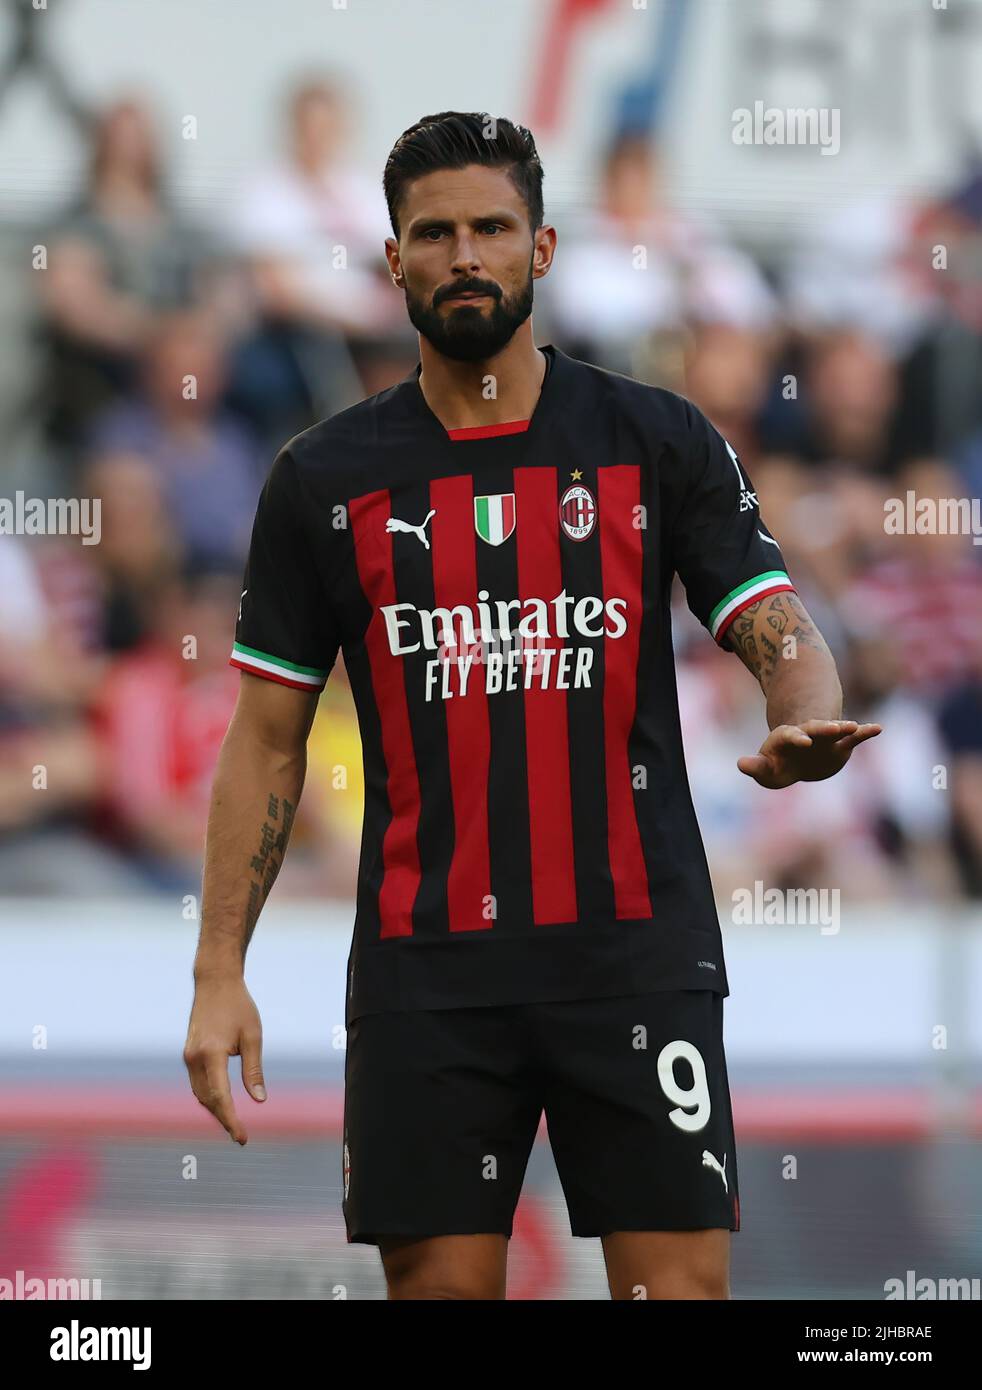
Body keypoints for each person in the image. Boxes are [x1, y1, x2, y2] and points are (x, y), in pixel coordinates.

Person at [184, 112, 881, 1301]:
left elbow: (780, 628)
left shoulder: (652, 438)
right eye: (435, 232)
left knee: (678, 1293)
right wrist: (215, 973)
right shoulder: (323, 479)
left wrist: (799, 714)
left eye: (491, 228)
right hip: (427, 973)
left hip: (634, 954)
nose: (465, 255)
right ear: (392, 261)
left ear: (544, 249)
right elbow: (266, 740)